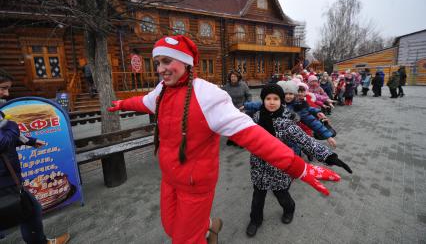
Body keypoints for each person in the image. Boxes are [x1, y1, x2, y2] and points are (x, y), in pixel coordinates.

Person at [108, 35, 342, 244]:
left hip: (195, 184)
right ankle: (210, 226)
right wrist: (121, 104)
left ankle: (204, 232)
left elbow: (254, 136)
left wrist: (300, 168)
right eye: (157, 62)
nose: (160, 69)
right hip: (169, 178)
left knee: (184, 239)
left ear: (186, 62)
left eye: (167, 61)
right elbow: (143, 102)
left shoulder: (208, 95)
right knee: (171, 227)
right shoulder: (162, 90)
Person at [245, 84, 351, 237]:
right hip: (258, 166)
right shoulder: (256, 118)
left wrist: (330, 157)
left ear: (281, 101)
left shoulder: (286, 123)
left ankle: (289, 209)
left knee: (281, 194)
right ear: (263, 100)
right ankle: (255, 220)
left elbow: (306, 141)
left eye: (276, 99)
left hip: (280, 169)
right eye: (268, 98)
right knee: (257, 196)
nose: (272, 102)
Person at [0, 68, 70, 244]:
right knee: (31, 210)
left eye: (7, 88)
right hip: (3, 178)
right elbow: (3, 141)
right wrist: (13, 127)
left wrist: (29, 141)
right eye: (2, 88)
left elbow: (8, 137)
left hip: (7, 174)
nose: (6, 94)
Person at [223, 70, 252, 145]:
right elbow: (222, 95)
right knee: (231, 125)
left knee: (241, 125)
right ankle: (232, 139)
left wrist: (246, 105)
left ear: (238, 77)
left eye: (235, 76)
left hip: (241, 108)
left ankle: (241, 140)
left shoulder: (243, 85)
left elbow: (249, 95)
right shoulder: (227, 86)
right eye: (232, 76)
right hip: (231, 109)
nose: (233, 78)